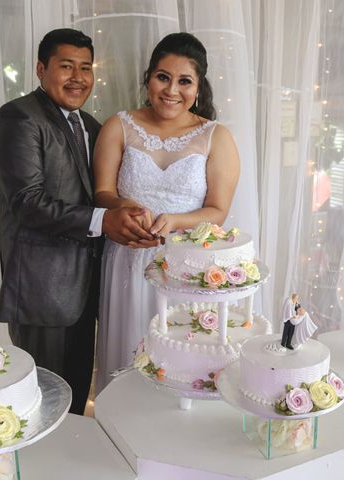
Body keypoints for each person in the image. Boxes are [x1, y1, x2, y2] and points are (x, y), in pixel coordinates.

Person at [0, 29, 152, 415]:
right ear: (42, 69)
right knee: (42, 404)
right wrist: (104, 220)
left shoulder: (93, 126)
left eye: (86, 68)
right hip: (43, 291)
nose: (78, 77)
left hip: (87, 290)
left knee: (77, 398)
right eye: (66, 66)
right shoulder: (18, 117)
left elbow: (101, 191)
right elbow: (26, 203)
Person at [94, 32, 241, 391]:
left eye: (184, 81)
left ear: (198, 87)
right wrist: (123, 207)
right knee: (127, 358)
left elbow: (218, 211)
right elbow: (102, 193)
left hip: (185, 263)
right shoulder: (119, 126)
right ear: (148, 78)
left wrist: (175, 221)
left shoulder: (215, 136)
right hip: (127, 256)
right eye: (163, 77)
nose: (171, 89)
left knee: (180, 363)